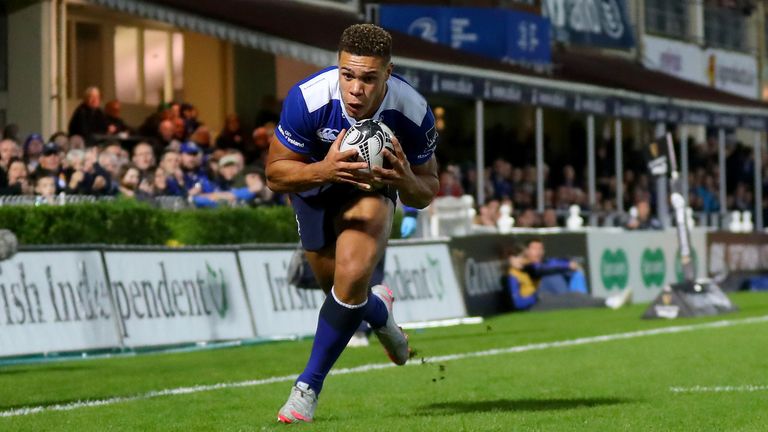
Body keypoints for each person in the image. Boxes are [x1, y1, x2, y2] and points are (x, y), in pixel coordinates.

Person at [266, 23, 438, 424]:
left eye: (367, 78)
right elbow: (275, 175)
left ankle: (306, 388)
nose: (355, 89)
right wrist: (324, 169)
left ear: (388, 74)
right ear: (338, 67)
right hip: (314, 190)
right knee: (344, 298)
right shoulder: (308, 99)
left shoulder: (412, 111)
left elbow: (427, 190)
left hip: (371, 191)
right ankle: (379, 312)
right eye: (348, 75)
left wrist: (405, 181)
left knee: (353, 274)